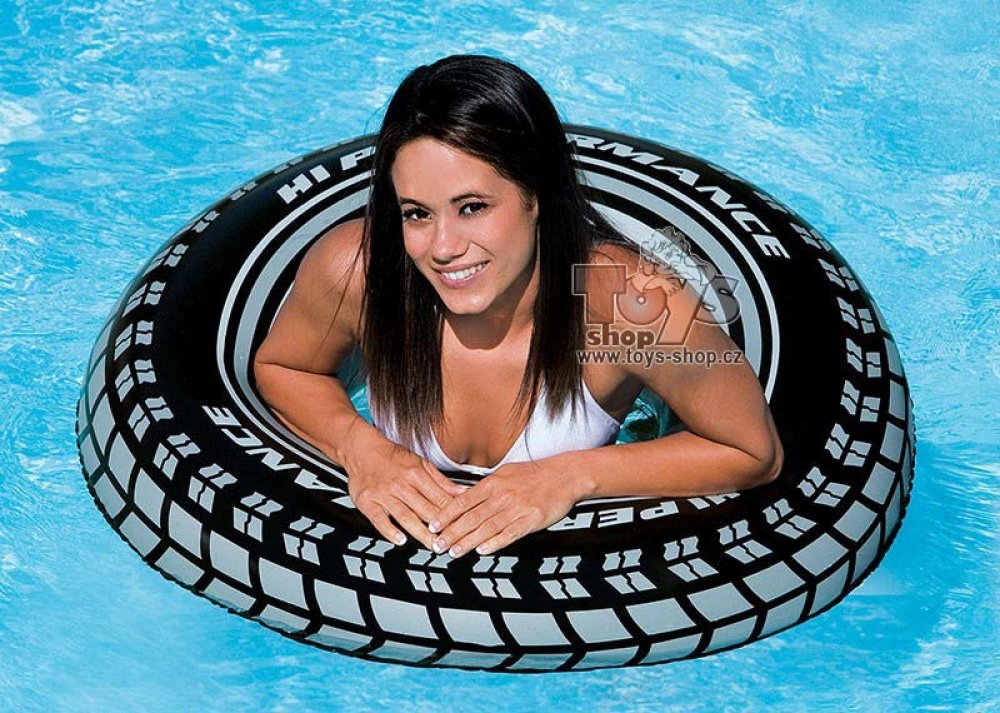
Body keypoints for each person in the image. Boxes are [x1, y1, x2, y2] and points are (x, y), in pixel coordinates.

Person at [253, 54, 783, 559]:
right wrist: (360, 447)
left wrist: (572, 475)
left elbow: (752, 451)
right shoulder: (357, 270)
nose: (442, 248)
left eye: (472, 207)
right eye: (417, 213)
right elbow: (285, 368)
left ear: (537, 197)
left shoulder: (627, 301)